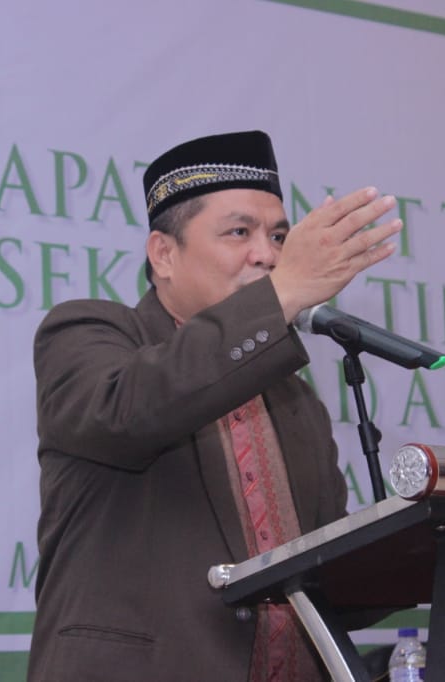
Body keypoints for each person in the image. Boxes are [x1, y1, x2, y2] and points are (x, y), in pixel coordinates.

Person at [28, 130, 402, 681]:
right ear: (164, 254)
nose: (268, 255)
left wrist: (424, 544)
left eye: (278, 236)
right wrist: (282, 294)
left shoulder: (295, 397)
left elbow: (325, 584)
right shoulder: (88, 332)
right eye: (239, 232)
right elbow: (126, 412)